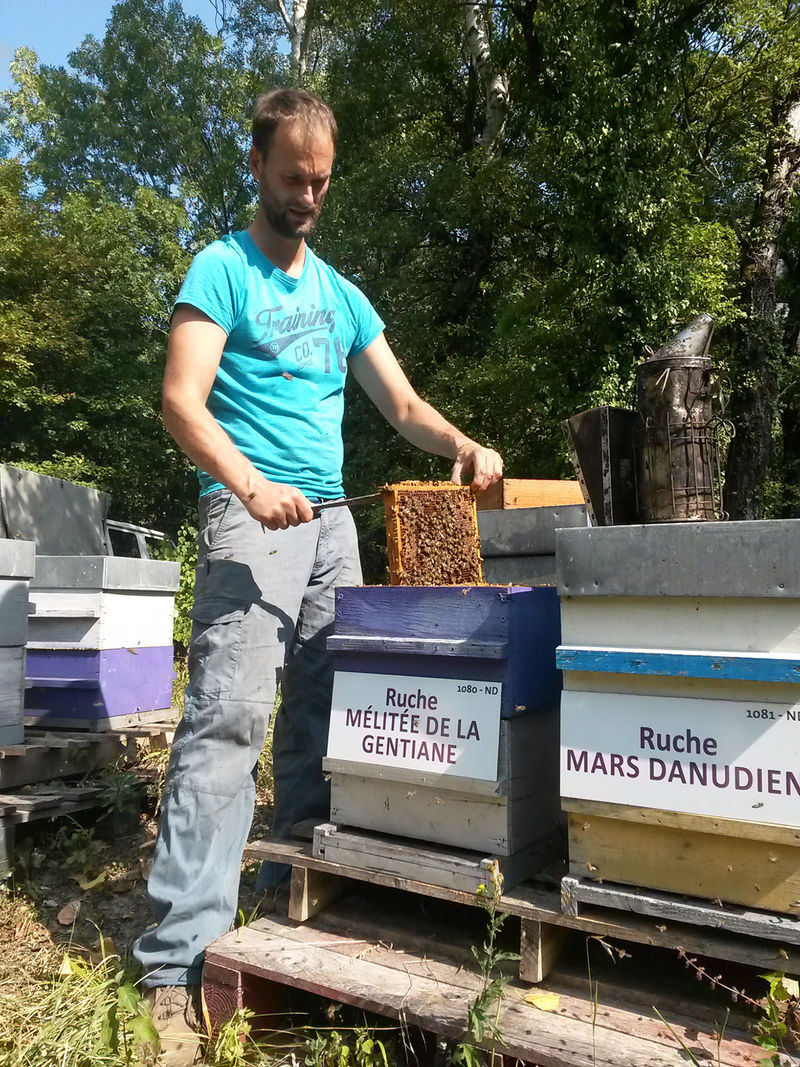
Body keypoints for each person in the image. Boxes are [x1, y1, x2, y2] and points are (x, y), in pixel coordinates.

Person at [133, 87, 503, 1064]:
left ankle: (283, 901)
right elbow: (180, 400)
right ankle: (174, 962)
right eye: (293, 177)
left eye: (321, 181)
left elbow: (403, 405)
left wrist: (462, 444)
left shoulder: (340, 295)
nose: (307, 195)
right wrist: (251, 486)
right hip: (249, 513)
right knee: (228, 721)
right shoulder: (221, 268)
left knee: (325, 721)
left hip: (333, 522)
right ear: (257, 165)